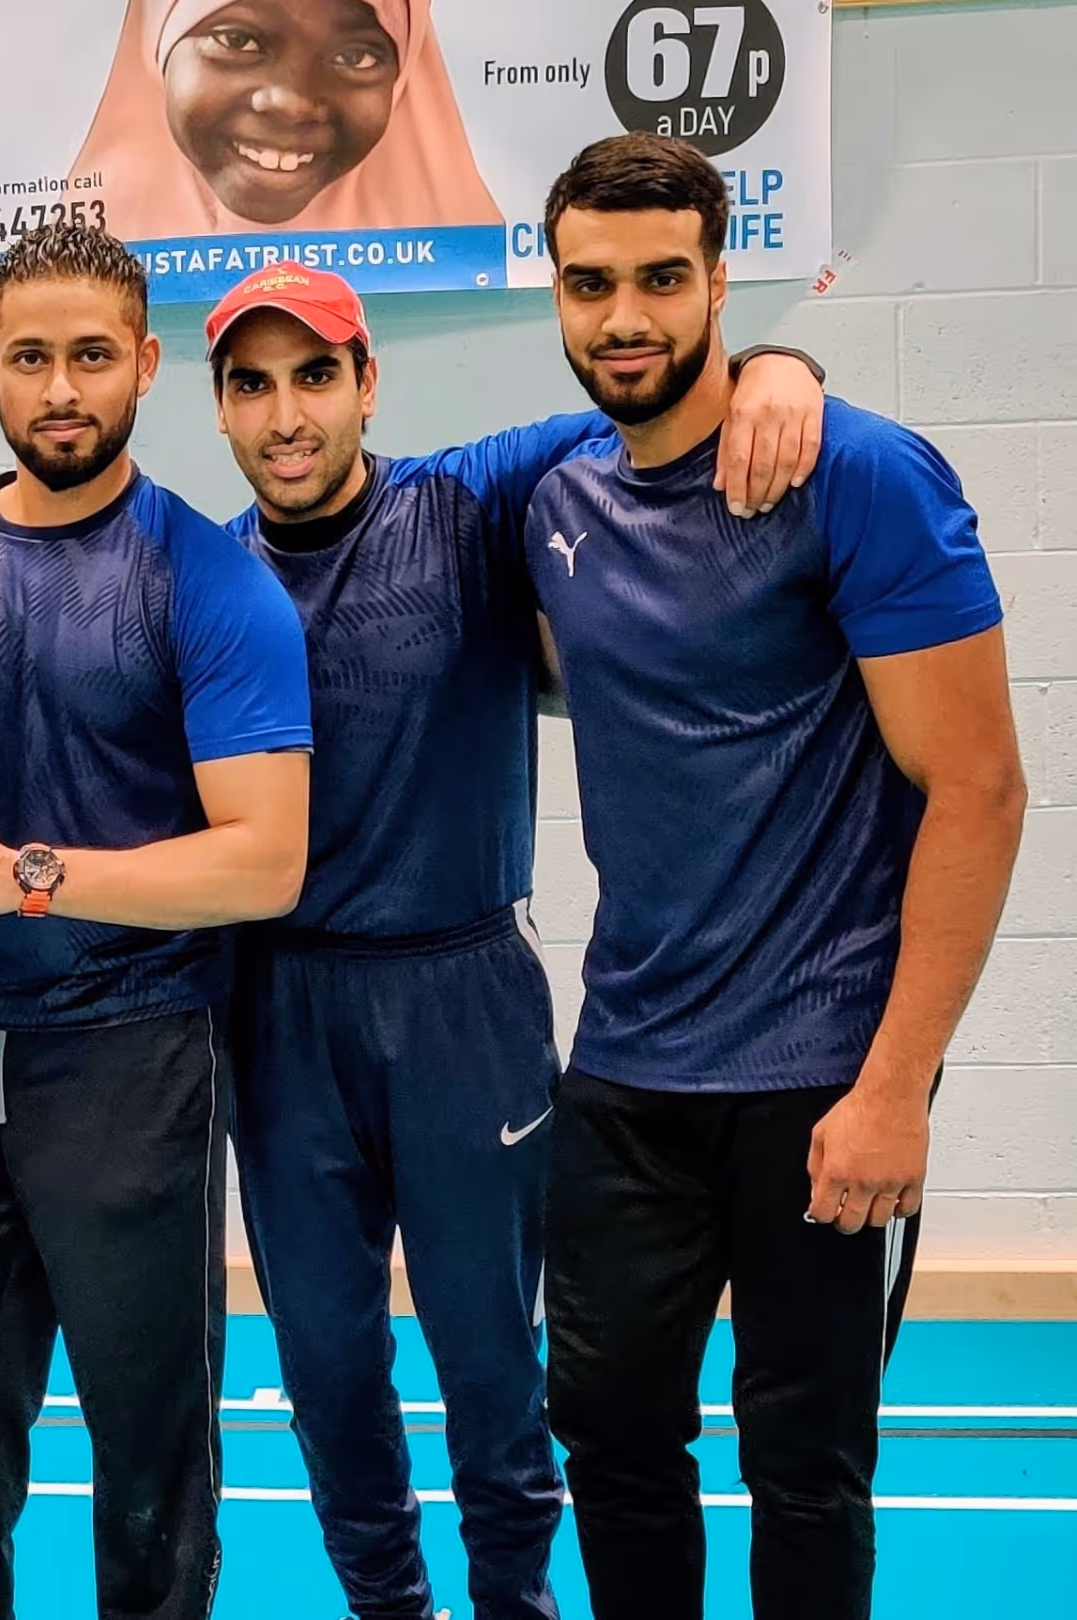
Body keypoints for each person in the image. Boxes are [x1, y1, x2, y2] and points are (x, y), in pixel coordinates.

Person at [204, 260, 826, 1620]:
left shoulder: (469, 501)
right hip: (279, 1012)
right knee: (324, 1363)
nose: (287, 414)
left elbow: (662, 398)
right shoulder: (204, 576)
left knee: (492, 1362)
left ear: (368, 382)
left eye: (315, 375)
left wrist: (783, 366)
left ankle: (515, 1607)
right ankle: (388, 1607)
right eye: (252, 385)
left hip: (461, 997)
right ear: (221, 408)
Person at [525, 134, 1025, 1620]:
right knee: (609, 1436)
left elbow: (982, 790)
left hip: (824, 1073)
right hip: (626, 1065)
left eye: (664, 278)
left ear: (719, 280)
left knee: (807, 1460)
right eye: (592, 283)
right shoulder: (554, 507)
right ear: (553, 293)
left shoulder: (857, 472)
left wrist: (894, 1087)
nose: (627, 316)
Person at [0, 221, 314, 1620]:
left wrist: (28, 873)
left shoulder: (207, 580)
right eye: (34, 359)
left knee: (151, 1472)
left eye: (93, 358)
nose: (62, 390)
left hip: (136, 1064)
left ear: (147, 368)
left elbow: (265, 864)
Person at [69, 0, 499, 237]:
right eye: (237, 40)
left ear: (402, 77)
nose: (291, 102)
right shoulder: (73, 282)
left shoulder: (472, 267)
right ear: (158, 47)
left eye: (355, 55)